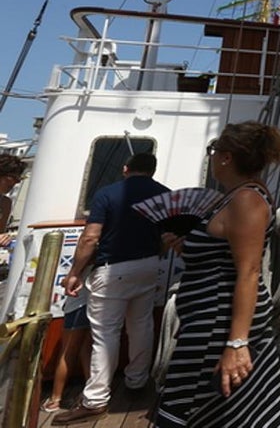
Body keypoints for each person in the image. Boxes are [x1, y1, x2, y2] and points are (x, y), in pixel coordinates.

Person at [154, 122, 280, 427]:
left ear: (226, 157)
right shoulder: (232, 198)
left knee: (199, 409)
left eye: (213, 152)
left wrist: (237, 344)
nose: (212, 158)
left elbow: (249, 271)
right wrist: (185, 246)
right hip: (209, 326)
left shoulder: (247, 201)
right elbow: (221, 258)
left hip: (219, 331)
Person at [54, 152, 169, 425]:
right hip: (149, 265)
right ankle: (137, 381)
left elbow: (91, 237)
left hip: (114, 268)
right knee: (141, 326)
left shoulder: (108, 193)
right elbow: (167, 236)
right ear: (152, 171)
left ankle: (94, 399)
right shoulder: (165, 194)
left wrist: (74, 273)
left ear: (125, 168)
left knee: (106, 334)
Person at [42, 288, 93, 413]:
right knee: (86, 348)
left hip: (77, 304)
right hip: (95, 302)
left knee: (67, 352)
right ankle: (91, 391)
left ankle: (55, 398)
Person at [0, 154, 24, 247]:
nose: (15, 182)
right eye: (12, 177)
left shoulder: (5, 203)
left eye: (19, 179)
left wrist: (4, 239)